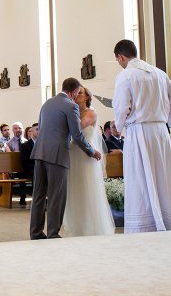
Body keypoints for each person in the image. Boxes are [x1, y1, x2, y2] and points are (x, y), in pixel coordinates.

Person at [112, 39, 171, 233]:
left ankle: (144, 225)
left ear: (120, 57)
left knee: (139, 178)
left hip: (139, 132)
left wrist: (119, 126)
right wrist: (169, 123)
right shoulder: (159, 73)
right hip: (160, 132)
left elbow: (121, 107)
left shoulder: (126, 75)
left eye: (118, 60)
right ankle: (169, 221)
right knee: (163, 176)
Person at [30, 78, 100, 240]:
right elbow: (77, 134)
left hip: (40, 153)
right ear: (74, 92)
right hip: (57, 155)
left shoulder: (47, 103)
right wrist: (91, 152)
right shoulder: (71, 106)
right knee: (56, 195)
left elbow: (40, 127)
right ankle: (53, 233)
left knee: (39, 195)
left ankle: (36, 233)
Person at [60, 85, 114, 237]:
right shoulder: (72, 110)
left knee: (87, 188)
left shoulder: (91, 113)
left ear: (87, 97)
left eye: (81, 93)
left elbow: (77, 127)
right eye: (76, 92)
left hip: (86, 155)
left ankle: (90, 226)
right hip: (73, 152)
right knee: (74, 188)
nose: (77, 94)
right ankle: (77, 225)